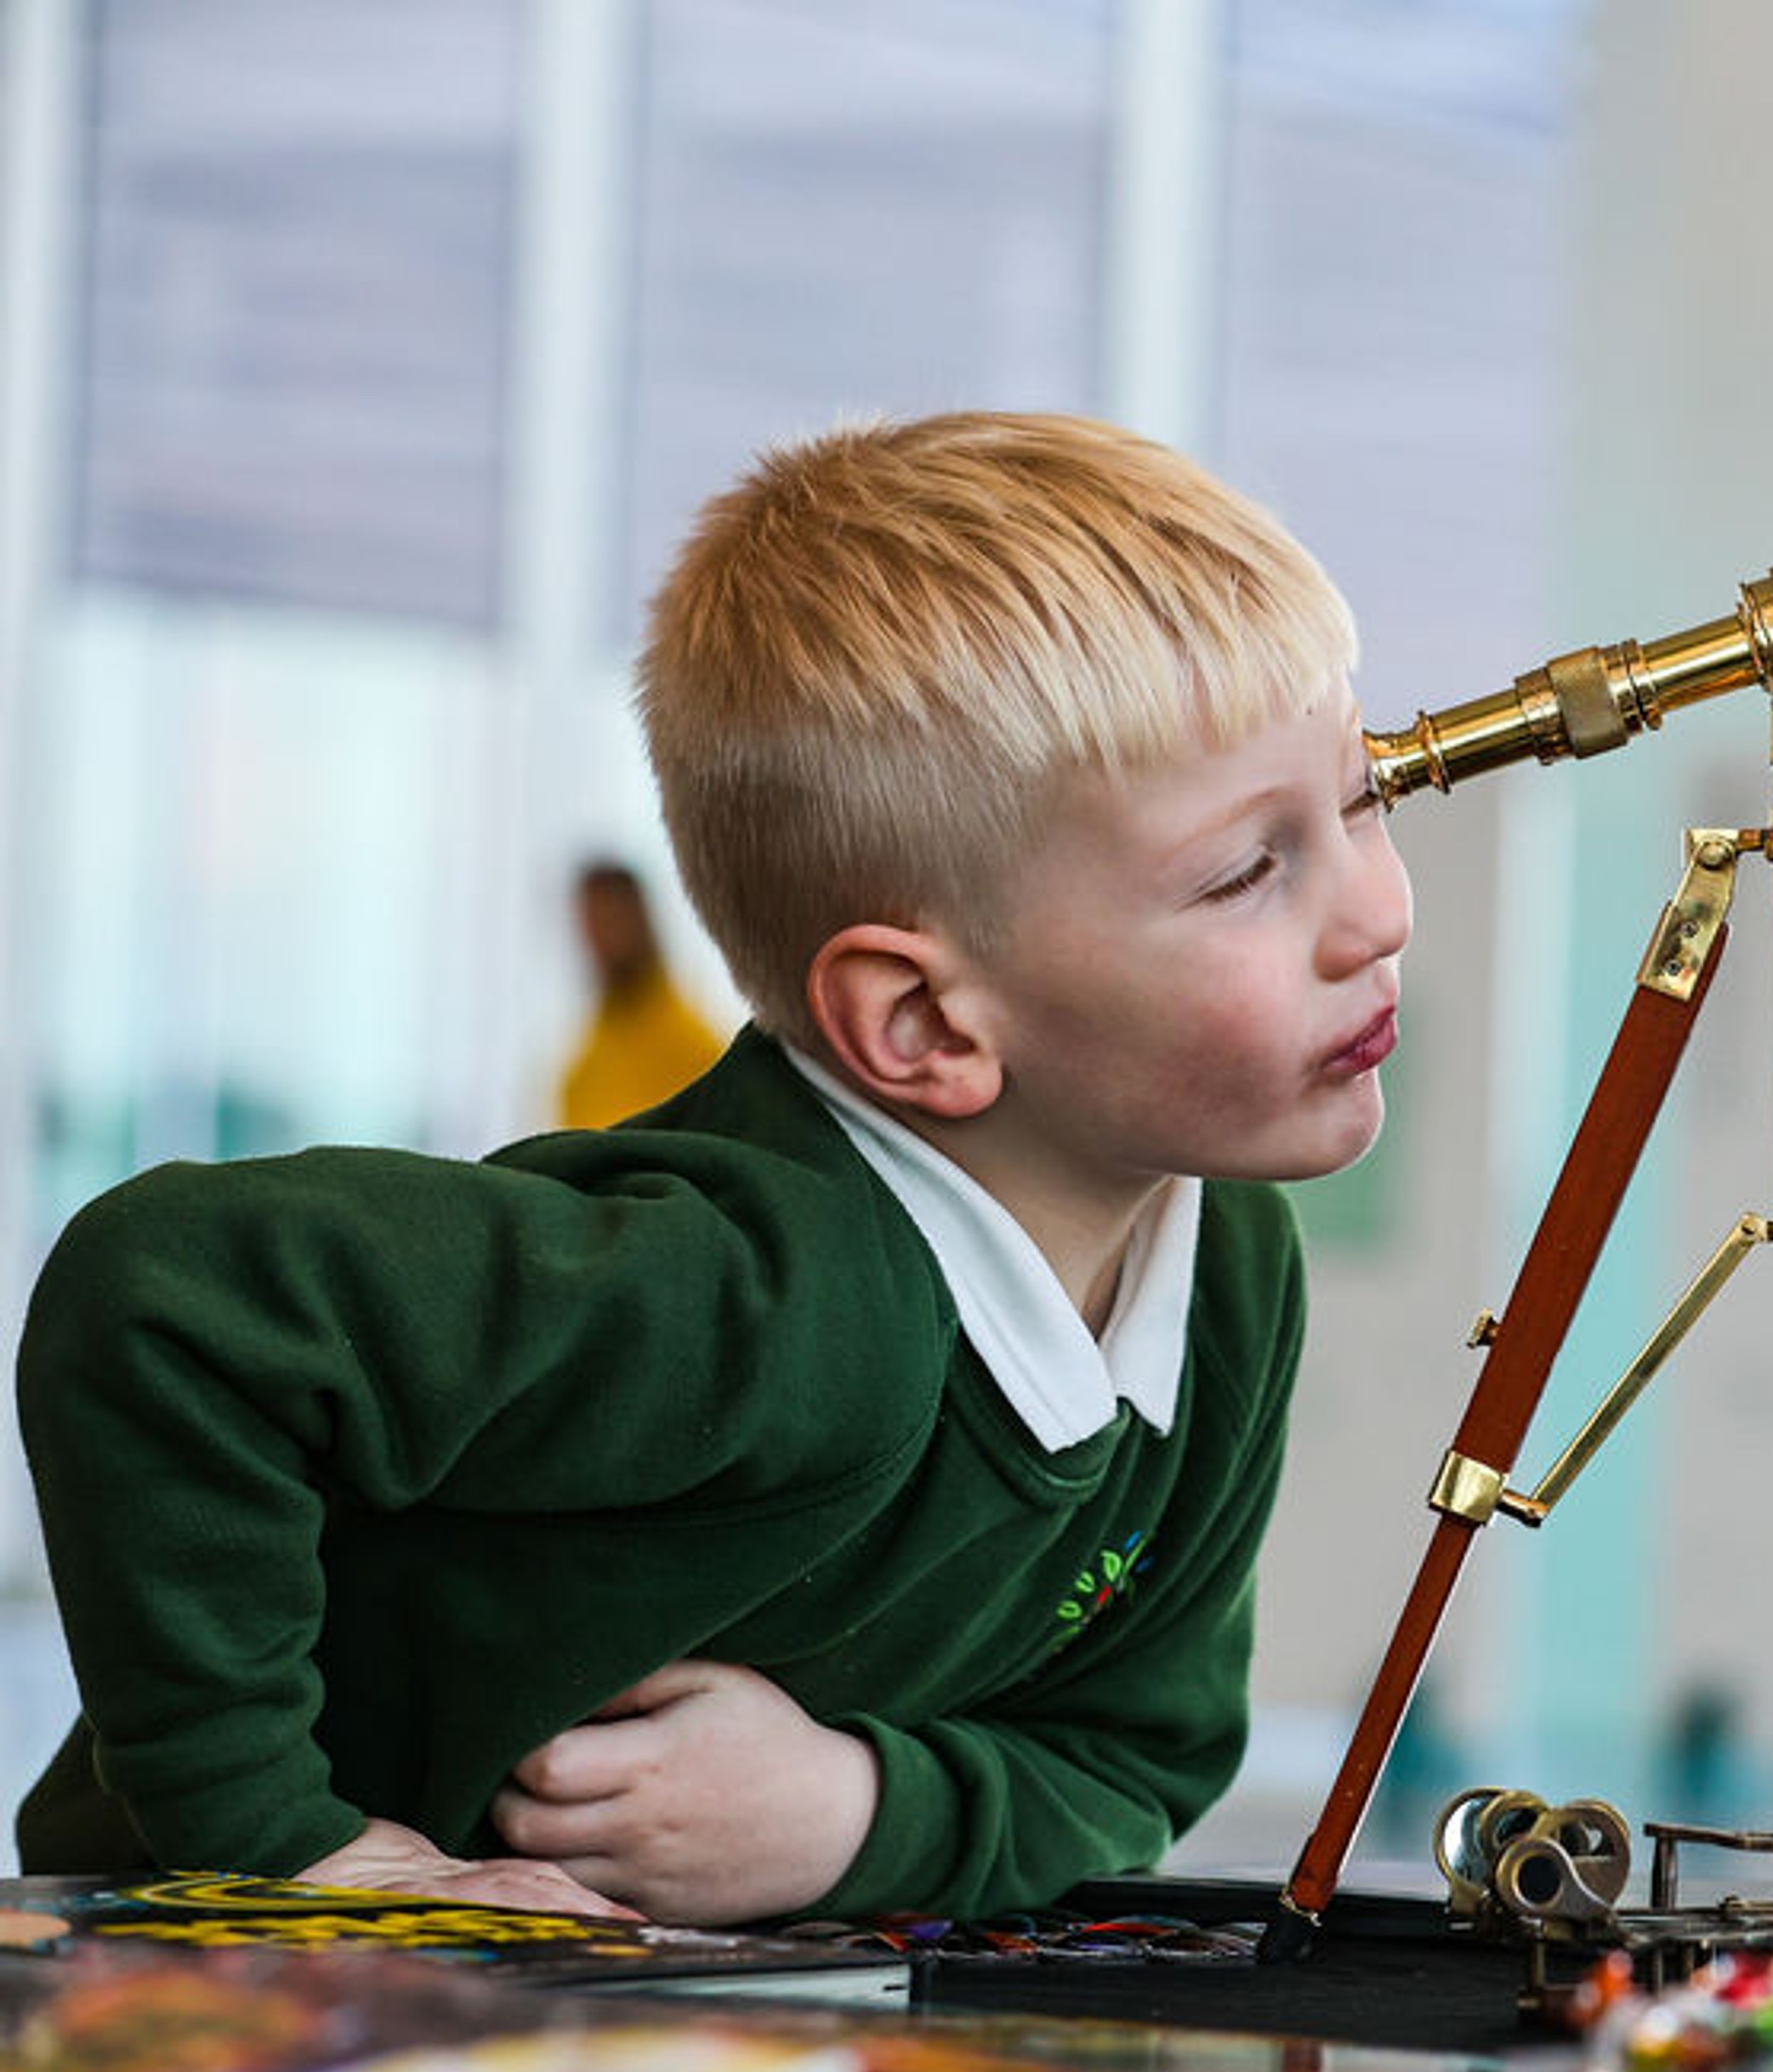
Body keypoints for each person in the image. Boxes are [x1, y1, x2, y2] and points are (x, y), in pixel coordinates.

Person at [13, 412, 1412, 1926]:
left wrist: (850, 1810)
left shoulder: (1226, 1272)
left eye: (1359, 797)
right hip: (204, 1990)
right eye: (1243, 873)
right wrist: (283, 1847)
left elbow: (1139, 1759)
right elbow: (161, 1298)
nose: (1378, 915)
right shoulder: (759, 1288)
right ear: (927, 1021)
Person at [556, 858, 726, 1129]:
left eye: (610, 920)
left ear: (639, 919)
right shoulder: (582, 1071)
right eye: (590, 924)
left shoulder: (697, 1050)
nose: (599, 939)